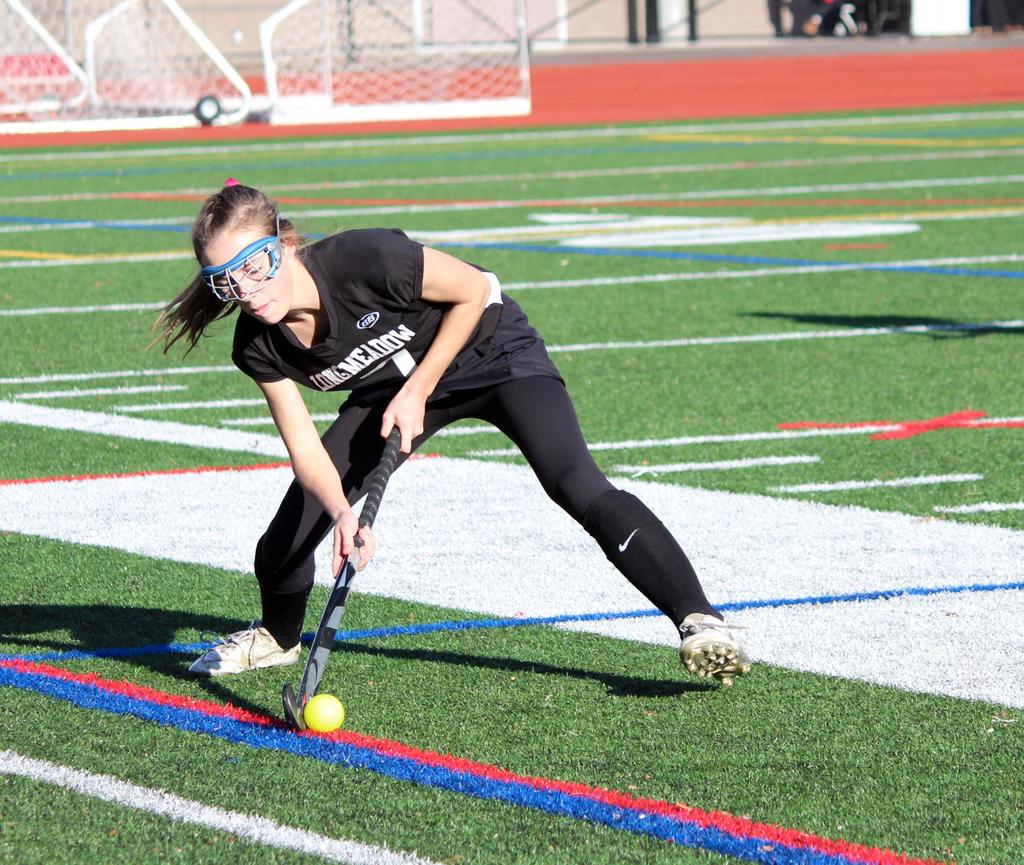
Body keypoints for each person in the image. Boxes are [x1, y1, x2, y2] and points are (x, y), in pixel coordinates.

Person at [154, 181, 751, 686]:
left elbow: (478, 289)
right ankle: (279, 637)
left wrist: (418, 390)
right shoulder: (257, 345)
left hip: (491, 353)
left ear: (282, 243)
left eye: (254, 267)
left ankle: (699, 619)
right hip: (392, 389)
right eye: (226, 281)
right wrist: (342, 514)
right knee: (287, 539)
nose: (248, 292)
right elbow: (305, 449)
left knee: (574, 481)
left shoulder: (364, 259)